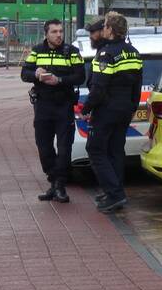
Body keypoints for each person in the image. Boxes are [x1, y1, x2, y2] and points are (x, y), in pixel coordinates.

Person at [82, 12, 143, 213]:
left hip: (107, 110)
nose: (103, 29)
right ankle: (115, 191)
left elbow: (99, 88)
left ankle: (115, 194)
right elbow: (137, 85)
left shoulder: (106, 54)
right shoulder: (133, 52)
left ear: (110, 30)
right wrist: (133, 106)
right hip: (125, 110)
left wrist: (86, 108)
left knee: (96, 149)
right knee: (116, 150)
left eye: (105, 26)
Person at [21, 19, 85, 203]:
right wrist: (36, 74)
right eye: (54, 32)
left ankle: (60, 185)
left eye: (60, 31)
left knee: (65, 147)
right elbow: (24, 74)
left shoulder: (71, 52)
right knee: (43, 146)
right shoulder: (37, 51)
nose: (59, 35)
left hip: (63, 105)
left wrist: (60, 81)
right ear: (46, 34)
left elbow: (80, 76)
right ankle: (53, 180)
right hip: (42, 105)